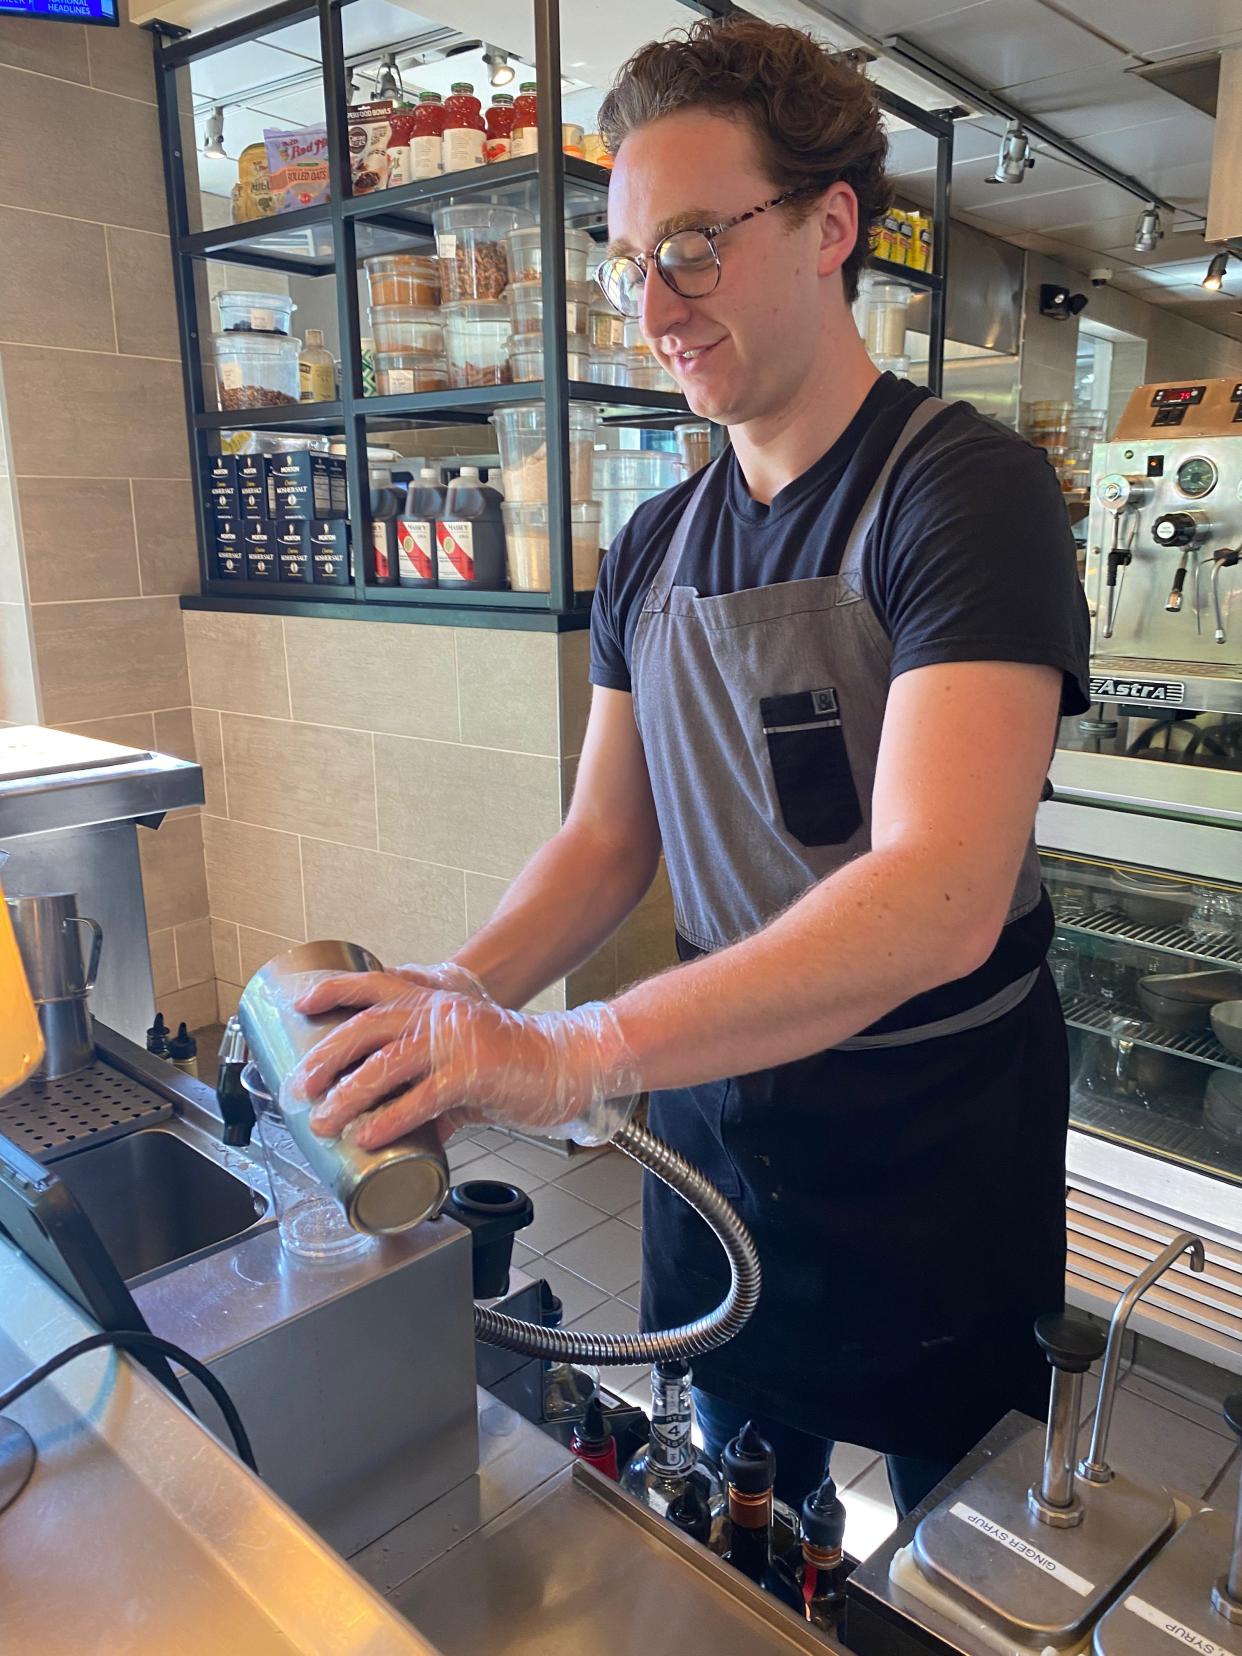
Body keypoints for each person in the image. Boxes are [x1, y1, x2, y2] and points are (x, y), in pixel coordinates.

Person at [293, 17, 1090, 1519]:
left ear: (828, 225)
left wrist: (575, 1053)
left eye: (697, 247)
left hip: (931, 1129)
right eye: (626, 260)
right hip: (719, 1104)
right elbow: (606, 839)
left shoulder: (962, 493)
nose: (650, 303)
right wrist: (457, 1005)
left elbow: (935, 895)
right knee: (727, 1499)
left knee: (955, 1528)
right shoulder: (658, 541)